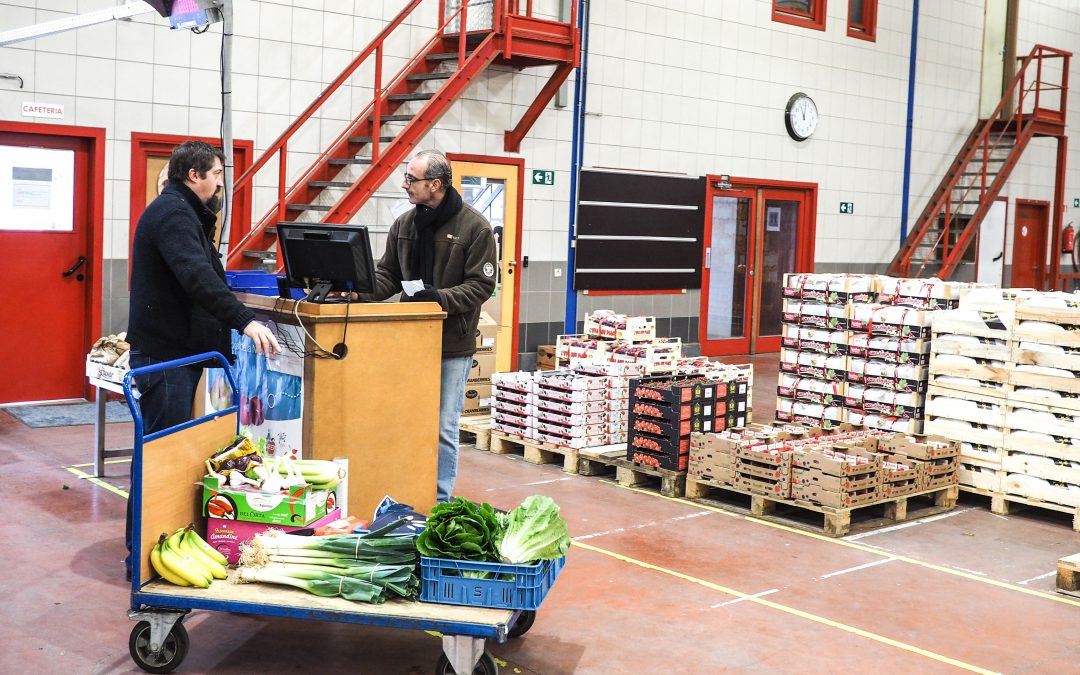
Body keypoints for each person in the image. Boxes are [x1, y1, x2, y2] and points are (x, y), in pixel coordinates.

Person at [125, 140, 280, 577]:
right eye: (215, 174)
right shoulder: (174, 215)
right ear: (193, 175)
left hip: (180, 353)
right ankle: (142, 557)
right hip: (166, 358)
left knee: (172, 454)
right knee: (160, 456)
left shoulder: (183, 212)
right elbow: (196, 278)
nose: (220, 183)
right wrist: (244, 320)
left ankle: (162, 547)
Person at [364, 149, 497, 503]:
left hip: (451, 344)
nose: (405, 184)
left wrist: (436, 298)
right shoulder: (405, 225)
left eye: (411, 179)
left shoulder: (475, 228)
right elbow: (387, 275)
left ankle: (438, 501)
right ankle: (407, 488)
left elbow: (481, 286)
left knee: (442, 426)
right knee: (405, 419)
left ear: (435, 184)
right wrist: (355, 291)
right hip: (408, 342)